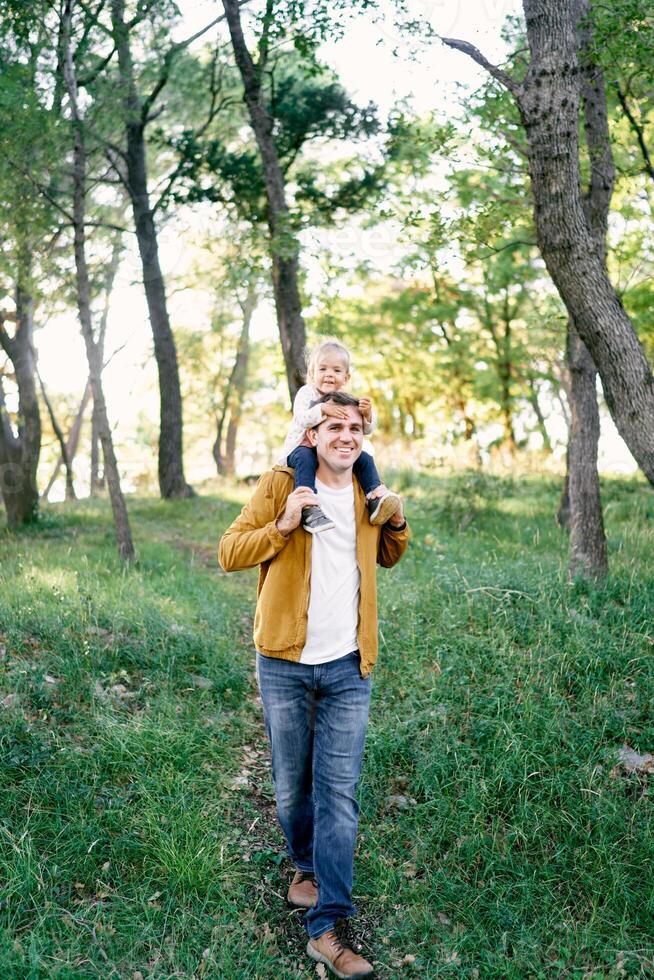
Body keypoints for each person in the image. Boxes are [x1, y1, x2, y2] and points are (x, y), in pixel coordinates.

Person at [219, 391, 409, 979]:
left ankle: (327, 926)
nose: (346, 435)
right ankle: (302, 862)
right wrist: (281, 526)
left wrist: (396, 517)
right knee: (290, 788)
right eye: (335, 425)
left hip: (350, 668)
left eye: (355, 427)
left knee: (340, 795)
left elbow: (391, 553)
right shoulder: (281, 483)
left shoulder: (367, 491)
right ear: (313, 432)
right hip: (283, 662)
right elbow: (229, 552)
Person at [279, 339, 400, 534]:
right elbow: (301, 419)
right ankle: (309, 507)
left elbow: (365, 429)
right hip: (301, 449)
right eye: (323, 369)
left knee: (365, 458)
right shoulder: (306, 393)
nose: (329, 375)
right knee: (305, 458)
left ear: (346, 377)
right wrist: (322, 409)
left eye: (336, 371)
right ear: (312, 373)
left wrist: (368, 415)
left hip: (328, 453)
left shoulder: (344, 399)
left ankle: (375, 497)